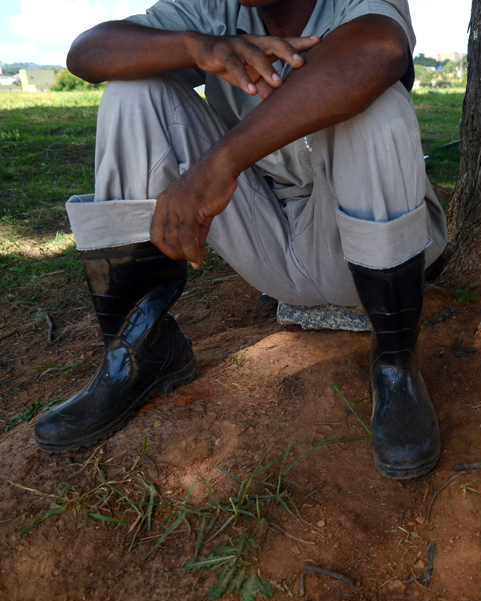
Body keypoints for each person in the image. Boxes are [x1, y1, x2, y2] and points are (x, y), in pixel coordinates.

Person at [33, 0, 448, 480]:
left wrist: (220, 164)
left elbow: (380, 48)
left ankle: (395, 364)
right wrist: (199, 46)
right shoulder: (215, 9)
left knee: (375, 98)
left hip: (366, 254)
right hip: (269, 238)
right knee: (132, 89)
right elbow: (86, 53)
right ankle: (138, 352)